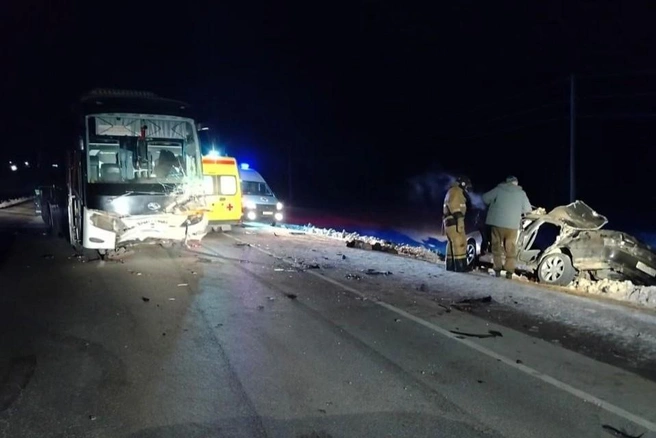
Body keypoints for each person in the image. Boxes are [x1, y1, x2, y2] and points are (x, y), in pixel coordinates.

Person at [482, 175, 532, 279]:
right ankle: (509, 272)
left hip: (497, 224)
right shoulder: (521, 193)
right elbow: (528, 209)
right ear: (516, 183)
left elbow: (485, 198)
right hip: (512, 226)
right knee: (510, 248)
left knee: (496, 247)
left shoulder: (499, 189)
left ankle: (497, 270)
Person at [442, 175, 472, 272]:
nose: (467, 189)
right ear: (463, 184)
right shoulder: (456, 191)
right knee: (460, 242)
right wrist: (460, 222)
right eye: (467, 186)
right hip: (454, 221)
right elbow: (456, 207)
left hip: (448, 221)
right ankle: (460, 267)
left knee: (452, 243)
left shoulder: (451, 191)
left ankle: (450, 265)